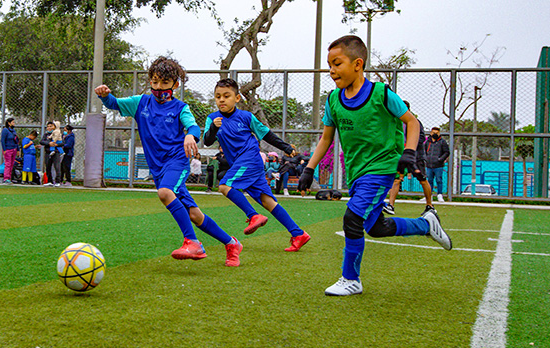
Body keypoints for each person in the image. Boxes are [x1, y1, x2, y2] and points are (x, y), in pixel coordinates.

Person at [298, 35, 452, 296]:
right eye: (329, 65)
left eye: (337, 63)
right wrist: (309, 168)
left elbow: (412, 123)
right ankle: (426, 225)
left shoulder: (381, 93)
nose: (331, 71)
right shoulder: (334, 100)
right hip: (356, 172)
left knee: (352, 218)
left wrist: (409, 153)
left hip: (382, 168)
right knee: (376, 228)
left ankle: (351, 279)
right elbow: (326, 138)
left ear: (358, 64)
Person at [95, 56, 242, 267]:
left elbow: (192, 127)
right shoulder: (140, 103)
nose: (158, 87)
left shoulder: (181, 108)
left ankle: (193, 243)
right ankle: (231, 243)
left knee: (165, 192)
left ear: (175, 84)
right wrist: (105, 95)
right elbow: (115, 104)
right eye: (154, 82)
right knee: (194, 214)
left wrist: (190, 135)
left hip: (177, 161)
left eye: (164, 83)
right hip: (158, 168)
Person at [204, 78, 311, 251]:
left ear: (237, 98)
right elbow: (207, 141)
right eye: (218, 96)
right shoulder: (212, 119)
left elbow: (266, 134)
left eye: (226, 96)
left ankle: (253, 215)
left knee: (224, 186)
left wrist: (285, 147)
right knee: (268, 202)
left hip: (250, 159)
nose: (221, 100)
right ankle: (298, 234)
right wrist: (214, 129)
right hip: (240, 164)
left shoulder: (246, 117)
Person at [383, 101, 435, 215]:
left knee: (422, 179)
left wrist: (410, 148)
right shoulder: (396, 123)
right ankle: (391, 205)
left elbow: (421, 138)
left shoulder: (414, 122)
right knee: (397, 179)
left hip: (415, 157)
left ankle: (429, 205)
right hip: (400, 157)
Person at [425, 126, 450, 202]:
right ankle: (429, 195)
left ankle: (439, 194)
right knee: (429, 180)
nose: (435, 134)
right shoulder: (427, 142)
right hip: (429, 165)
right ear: (430, 133)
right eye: (433, 132)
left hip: (438, 165)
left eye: (437, 132)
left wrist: (440, 159)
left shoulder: (442, 142)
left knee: (439, 180)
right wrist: (426, 159)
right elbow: (424, 151)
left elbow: (447, 152)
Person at [41, 121, 63, 187]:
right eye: (48, 126)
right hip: (48, 153)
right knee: (48, 166)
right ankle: (49, 181)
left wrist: (56, 144)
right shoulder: (46, 135)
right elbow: (42, 141)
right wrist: (48, 143)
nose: (49, 128)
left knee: (57, 167)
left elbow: (62, 142)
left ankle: (58, 181)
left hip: (56, 152)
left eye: (51, 126)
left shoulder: (58, 133)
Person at [1, 117, 18, 185]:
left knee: (11, 164)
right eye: (13, 122)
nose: (14, 123)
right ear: (9, 123)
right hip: (8, 149)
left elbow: (16, 140)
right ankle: (6, 178)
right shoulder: (5, 130)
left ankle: (10, 178)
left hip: (14, 149)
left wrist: (17, 149)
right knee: (8, 164)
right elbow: (3, 140)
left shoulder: (13, 131)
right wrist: (4, 149)